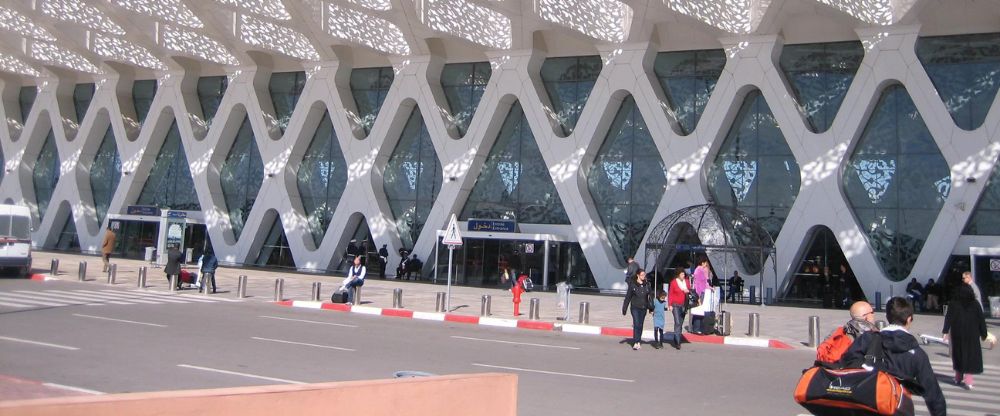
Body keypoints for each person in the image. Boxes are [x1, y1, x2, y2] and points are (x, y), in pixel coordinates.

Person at [841, 297, 946, 416]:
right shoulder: (916, 352)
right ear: (909, 319)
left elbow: (845, 363)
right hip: (899, 409)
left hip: (865, 407)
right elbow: (933, 395)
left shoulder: (867, 339)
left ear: (887, 317)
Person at [943, 285, 989, 389]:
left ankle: (958, 377)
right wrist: (983, 333)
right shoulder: (975, 304)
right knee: (970, 355)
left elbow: (948, 318)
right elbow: (981, 319)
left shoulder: (953, 304)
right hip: (972, 334)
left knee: (958, 354)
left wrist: (945, 331)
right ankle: (968, 380)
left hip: (957, 333)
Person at [815, 301, 878, 367]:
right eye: (872, 312)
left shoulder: (837, 331)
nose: (873, 315)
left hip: (830, 369)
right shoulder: (872, 335)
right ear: (866, 317)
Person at [621, 268, 653, 350]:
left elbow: (650, 297)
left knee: (640, 324)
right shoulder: (633, 285)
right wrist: (624, 308)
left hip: (643, 307)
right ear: (638, 275)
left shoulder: (647, 285)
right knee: (636, 323)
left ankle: (638, 341)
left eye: (644, 275)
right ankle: (636, 342)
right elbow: (628, 297)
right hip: (635, 307)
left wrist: (651, 308)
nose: (644, 276)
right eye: (642, 275)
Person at [667, 269, 692, 350]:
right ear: (678, 275)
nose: (683, 276)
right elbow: (670, 294)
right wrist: (669, 304)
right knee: (677, 322)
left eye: (684, 274)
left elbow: (690, 291)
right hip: (675, 305)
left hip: (683, 305)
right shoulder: (674, 282)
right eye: (681, 274)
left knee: (680, 323)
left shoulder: (687, 282)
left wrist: (687, 291)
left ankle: (676, 336)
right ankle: (678, 342)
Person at [691, 257, 712, 334]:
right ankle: (697, 328)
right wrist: (710, 288)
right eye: (705, 263)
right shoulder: (701, 270)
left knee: (699, 309)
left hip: (699, 291)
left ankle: (696, 327)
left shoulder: (698, 269)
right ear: (702, 263)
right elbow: (703, 283)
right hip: (700, 292)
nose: (706, 264)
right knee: (700, 310)